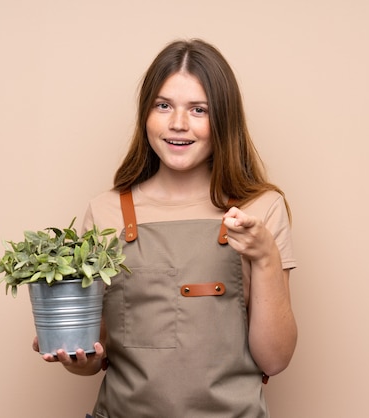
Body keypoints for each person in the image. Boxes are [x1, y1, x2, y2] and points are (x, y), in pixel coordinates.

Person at [33, 38, 297, 418]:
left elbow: (275, 359)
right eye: (163, 105)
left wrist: (267, 256)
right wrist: (77, 358)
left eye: (199, 110)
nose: (178, 124)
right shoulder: (106, 212)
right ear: (146, 113)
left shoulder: (261, 209)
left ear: (224, 118)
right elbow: (96, 353)